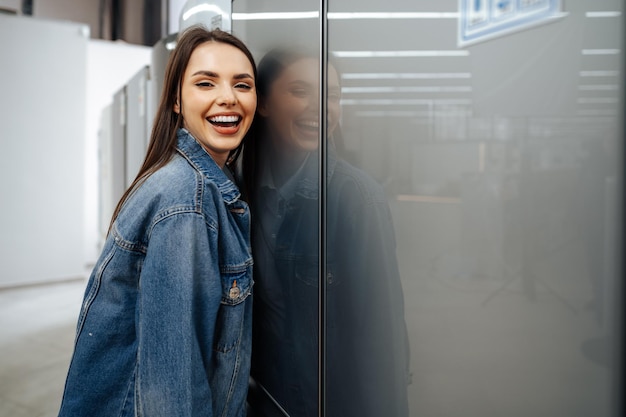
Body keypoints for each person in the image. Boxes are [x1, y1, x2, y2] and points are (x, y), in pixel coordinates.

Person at [57, 26, 257, 417]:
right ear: (177, 101)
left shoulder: (191, 183)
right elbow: (172, 390)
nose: (228, 98)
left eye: (242, 85)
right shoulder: (185, 200)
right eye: (206, 82)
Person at [242, 47, 410, 417]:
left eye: (331, 95)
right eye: (301, 91)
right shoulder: (241, 192)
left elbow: (382, 344)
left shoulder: (357, 199)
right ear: (264, 103)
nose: (321, 107)